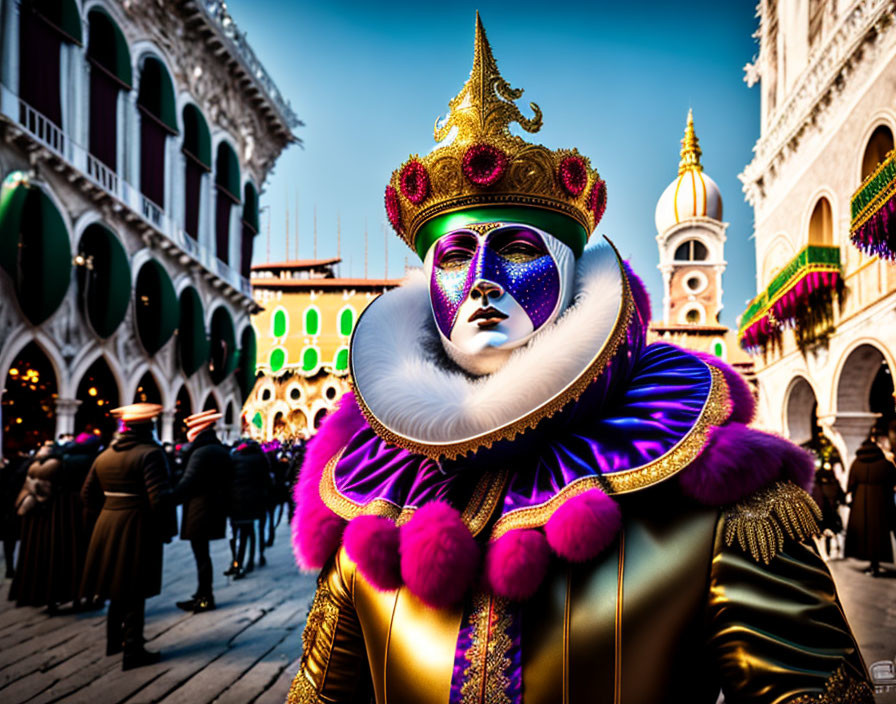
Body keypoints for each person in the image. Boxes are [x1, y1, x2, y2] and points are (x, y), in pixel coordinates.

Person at [286, 16, 873, 703]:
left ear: (572, 282)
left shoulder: (721, 501)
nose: (480, 278)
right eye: (452, 256)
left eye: (516, 248)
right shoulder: (368, 499)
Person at [80, 403, 176, 670]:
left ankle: (114, 642)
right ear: (149, 428)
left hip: (107, 523)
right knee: (135, 586)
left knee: (115, 584)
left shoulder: (104, 455)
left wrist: (105, 516)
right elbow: (159, 498)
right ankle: (133, 650)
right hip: (137, 525)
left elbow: (87, 495)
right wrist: (167, 530)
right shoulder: (151, 454)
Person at [9, 440, 87, 611]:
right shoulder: (62, 466)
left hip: (36, 516)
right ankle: (69, 595)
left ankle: (41, 595)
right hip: (59, 515)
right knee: (63, 555)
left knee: (39, 554)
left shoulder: (32, 467)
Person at [172, 410, 232, 613]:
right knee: (202, 555)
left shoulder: (201, 452)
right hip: (213, 508)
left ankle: (205, 596)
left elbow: (188, 482)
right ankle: (202, 593)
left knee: (202, 556)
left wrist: (168, 498)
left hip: (200, 510)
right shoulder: (218, 449)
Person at [844, 428, 896, 577]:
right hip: (880, 503)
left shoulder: (856, 463)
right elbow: (893, 480)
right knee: (878, 535)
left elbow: (851, 484)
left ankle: (871, 564)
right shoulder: (885, 463)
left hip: (860, 503)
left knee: (865, 534)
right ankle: (876, 564)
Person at [226, 439, 271, 577]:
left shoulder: (234, 458)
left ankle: (236, 563)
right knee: (250, 532)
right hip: (255, 500)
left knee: (235, 533)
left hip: (235, 500)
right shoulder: (261, 458)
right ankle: (251, 560)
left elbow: (228, 479)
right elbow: (266, 479)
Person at [812, 459, 847, 559]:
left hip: (822, 510)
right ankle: (833, 551)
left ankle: (824, 552)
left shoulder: (817, 484)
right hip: (831, 510)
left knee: (822, 532)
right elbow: (841, 495)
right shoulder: (834, 482)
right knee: (833, 530)